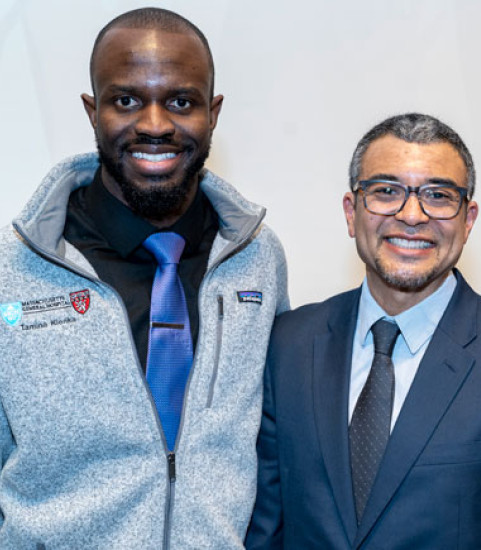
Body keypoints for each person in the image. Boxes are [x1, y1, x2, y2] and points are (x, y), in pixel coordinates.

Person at [0, 8, 288, 548]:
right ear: (92, 111)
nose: (155, 125)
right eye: (126, 101)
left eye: (181, 102)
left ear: (213, 113)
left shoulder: (257, 259)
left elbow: (270, 448)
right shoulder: (12, 271)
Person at [246, 112, 481, 549]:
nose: (412, 215)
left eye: (438, 196)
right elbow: (265, 533)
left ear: (468, 220)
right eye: (386, 191)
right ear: (351, 212)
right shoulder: (287, 346)